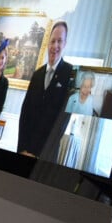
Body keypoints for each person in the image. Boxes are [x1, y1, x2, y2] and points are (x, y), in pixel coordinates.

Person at [17, 21, 73, 157]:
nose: (55, 46)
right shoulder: (37, 74)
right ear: (48, 43)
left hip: (46, 156)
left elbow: (62, 121)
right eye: (53, 41)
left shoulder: (70, 74)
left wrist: (42, 155)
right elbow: (25, 114)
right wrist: (22, 149)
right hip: (26, 150)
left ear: (65, 44)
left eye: (60, 41)